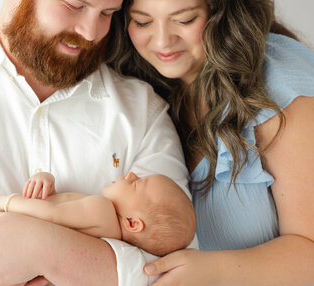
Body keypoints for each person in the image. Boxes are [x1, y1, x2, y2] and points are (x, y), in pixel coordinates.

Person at [0, 0, 192, 285]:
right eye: (75, 5)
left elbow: (175, 268)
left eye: (107, 14)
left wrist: (46, 250)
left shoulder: (143, 113)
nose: (90, 32)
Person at [107, 0, 314, 285]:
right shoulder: (138, 86)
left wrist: (212, 271)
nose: (163, 41)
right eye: (142, 22)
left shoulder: (281, 88)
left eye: (185, 20)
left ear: (222, 13)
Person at [0, 171, 196, 285]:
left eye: (137, 183)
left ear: (134, 223)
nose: (131, 174)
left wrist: (9, 203)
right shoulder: (103, 229)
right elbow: (62, 211)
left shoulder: (102, 209)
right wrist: (46, 183)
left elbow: (51, 213)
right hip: (9, 261)